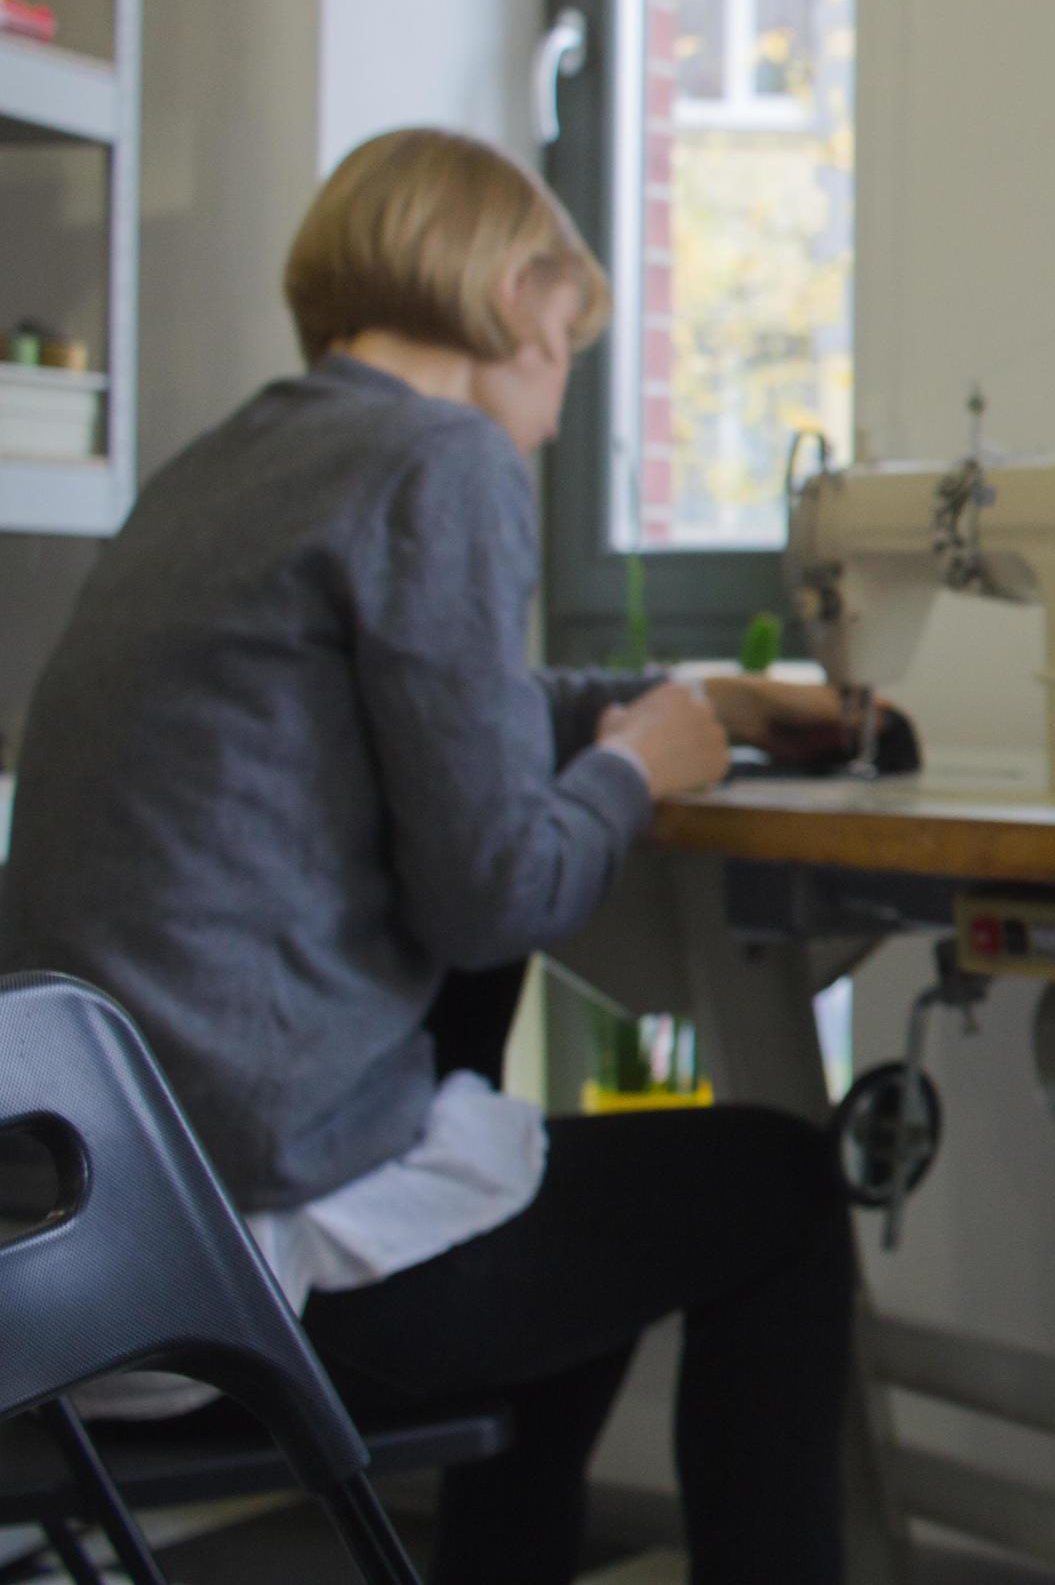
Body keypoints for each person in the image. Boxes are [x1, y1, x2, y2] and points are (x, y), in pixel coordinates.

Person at [0, 128, 856, 1584]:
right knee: (777, 1189)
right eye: (574, 343)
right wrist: (632, 771)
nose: (557, 399)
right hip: (240, 1267)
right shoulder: (442, 460)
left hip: (70, 1241)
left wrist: (677, 707)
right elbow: (494, 895)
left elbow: (425, 709)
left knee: (541, 1175)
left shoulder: (231, 459)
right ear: (522, 298)